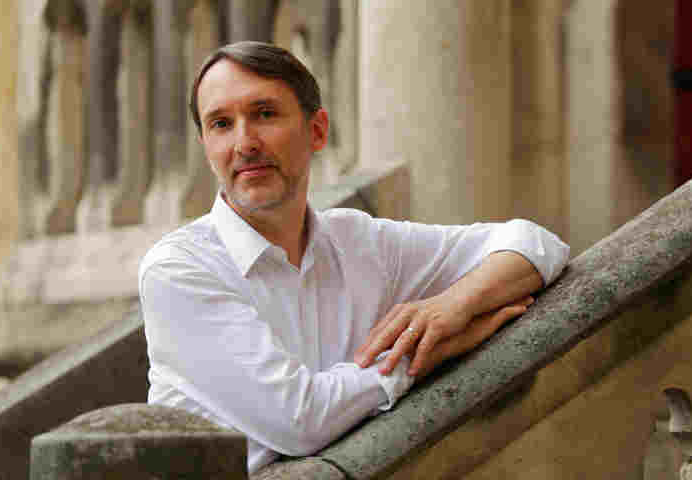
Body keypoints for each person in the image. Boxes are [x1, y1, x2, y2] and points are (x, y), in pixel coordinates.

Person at [139, 41, 570, 473]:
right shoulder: (178, 270)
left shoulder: (360, 240)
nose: (244, 142)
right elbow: (300, 420)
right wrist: (427, 355)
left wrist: (452, 307)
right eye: (221, 124)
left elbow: (536, 244)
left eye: (265, 114)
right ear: (206, 146)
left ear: (318, 131)